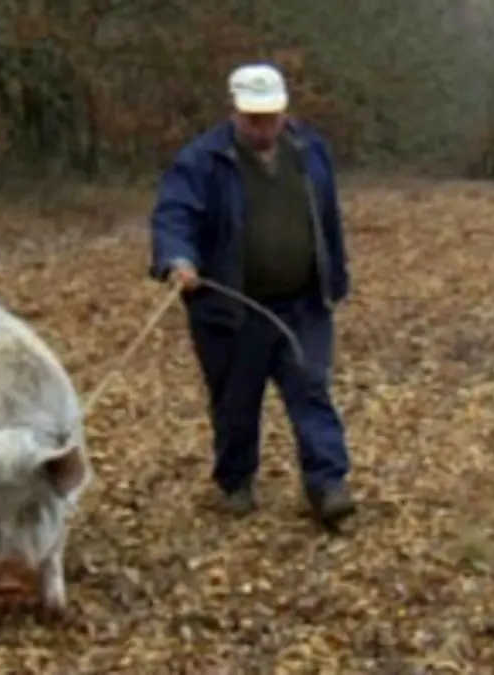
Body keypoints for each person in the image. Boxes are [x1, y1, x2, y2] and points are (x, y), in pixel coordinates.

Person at [148, 62, 355, 527]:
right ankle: (236, 482)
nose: (263, 128)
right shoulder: (201, 160)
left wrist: (334, 279)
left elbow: (327, 219)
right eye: (253, 118)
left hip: (303, 303)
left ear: (285, 111)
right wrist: (178, 259)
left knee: (311, 389)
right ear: (235, 112)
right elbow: (173, 216)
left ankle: (327, 485)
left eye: (271, 117)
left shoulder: (309, 150)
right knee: (234, 400)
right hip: (231, 309)